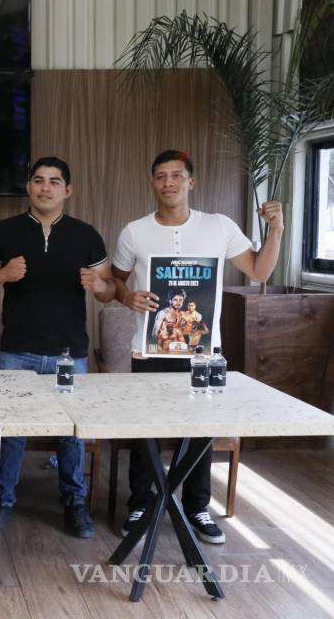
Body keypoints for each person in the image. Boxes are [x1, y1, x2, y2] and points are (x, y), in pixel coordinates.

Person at [112, 149, 284, 544]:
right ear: (152, 183)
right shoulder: (135, 231)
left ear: (191, 182)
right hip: (150, 350)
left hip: (204, 354)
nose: (168, 182)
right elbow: (115, 282)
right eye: (161, 176)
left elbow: (260, 270)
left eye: (176, 175)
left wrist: (276, 231)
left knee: (201, 432)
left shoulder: (219, 226)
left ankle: (196, 506)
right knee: (145, 430)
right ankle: (140, 503)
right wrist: (128, 297)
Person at [0, 156, 114, 539]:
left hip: (71, 353)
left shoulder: (86, 235)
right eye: (38, 180)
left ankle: (75, 503)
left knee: (72, 433)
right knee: (11, 430)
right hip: (18, 351)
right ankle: (2, 502)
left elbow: (110, 289)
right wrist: (2, 275)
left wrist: (100, 286)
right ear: (29, 187)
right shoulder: (4, 231)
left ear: (68, 190)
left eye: (54, 181)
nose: (45, 187)